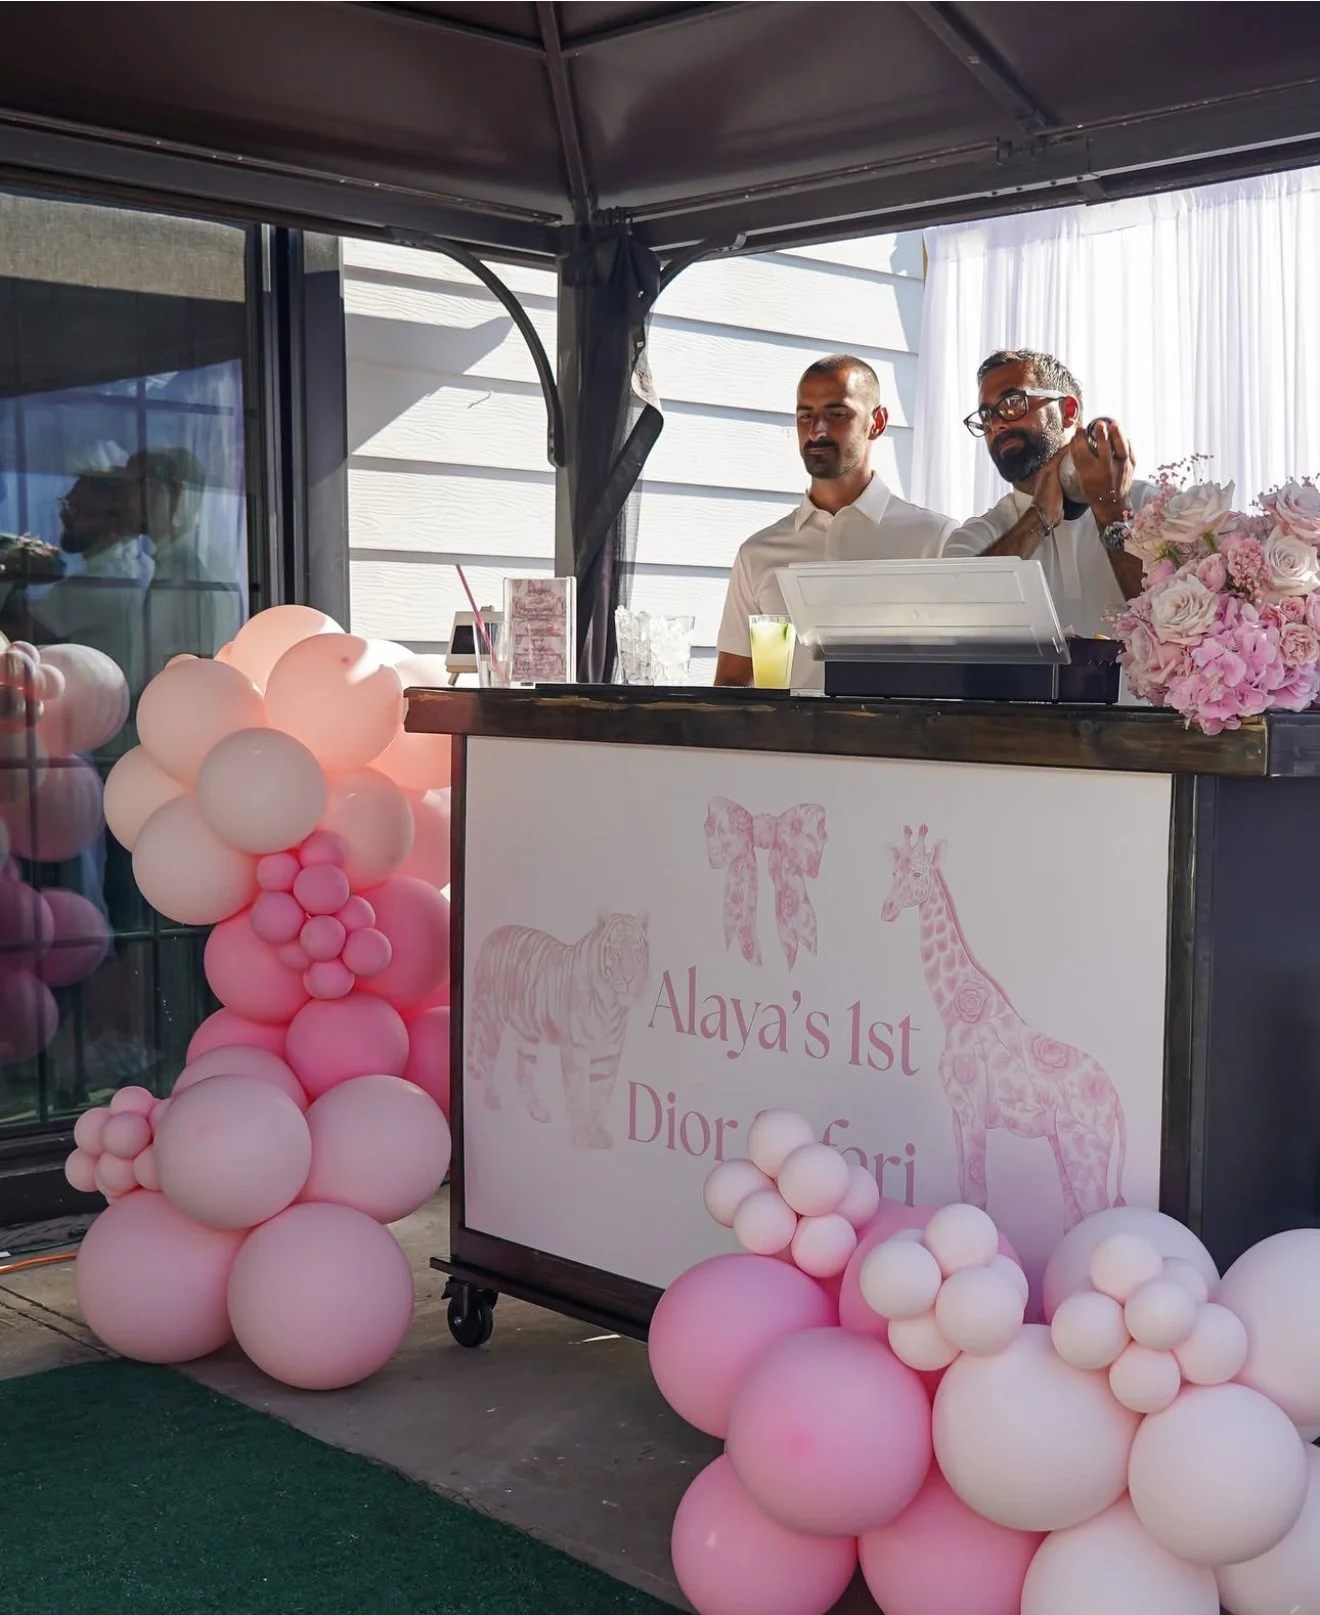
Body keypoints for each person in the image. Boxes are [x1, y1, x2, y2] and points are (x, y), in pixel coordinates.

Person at [714, 355, 957, 688]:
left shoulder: (936, 540)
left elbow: (958, 678)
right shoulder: (756, 554)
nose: (817, 430)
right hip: (780, 741)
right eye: (805, 415)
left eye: (836, 413)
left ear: (878, 421)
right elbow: (731, 683)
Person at [941, 349, 1153, 635]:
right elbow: (955, 619)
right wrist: (1038, 517)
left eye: (1013, 403)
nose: (997, 424)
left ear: (1068, 412)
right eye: (986, 416)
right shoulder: (975, 538)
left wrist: (1112, 510)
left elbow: (1182, 627)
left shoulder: (1156, 508)